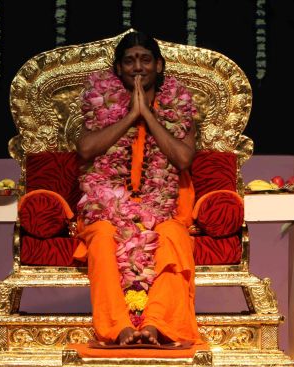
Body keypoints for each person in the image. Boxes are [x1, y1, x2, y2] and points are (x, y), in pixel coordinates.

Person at [73, 31, 203, 346]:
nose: (138, 67)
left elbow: (183, 159)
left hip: (164, 210)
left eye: (145, 59)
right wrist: (131, 116)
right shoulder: (101, 105)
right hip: (106, 210)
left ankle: (156, 324)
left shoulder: (179, 107)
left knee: (172, 236)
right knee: (102, 236)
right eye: (130, 61)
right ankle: (119, 327)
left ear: (159, 65)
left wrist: (148, 116)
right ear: (118, 68)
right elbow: (85, 150)